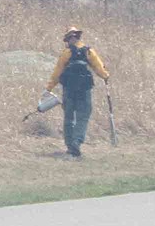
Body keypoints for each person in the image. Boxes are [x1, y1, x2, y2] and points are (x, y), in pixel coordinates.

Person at [46, 28, 108, 159]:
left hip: (68, 89)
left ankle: (70, 146)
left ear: (68, 39)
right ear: (79, 38)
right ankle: (77, 142)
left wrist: (49, 88)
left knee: (68, 117)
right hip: (84, 89)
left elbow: (57, 74)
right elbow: (99, 69)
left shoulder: (66, 53)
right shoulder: (89, 52)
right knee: (83, 116)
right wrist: (106, 76)